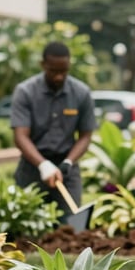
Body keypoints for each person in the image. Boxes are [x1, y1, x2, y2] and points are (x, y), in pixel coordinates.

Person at [10, 41, 96, 219]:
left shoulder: (81, 93)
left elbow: (85, 135)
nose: (58, 77)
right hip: (32, 168)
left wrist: (68, 162)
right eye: (53, 71)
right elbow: (20, 136)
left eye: (63, 71)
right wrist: (43, 164)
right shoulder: (25, 92)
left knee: (71, 223)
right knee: (27, 225)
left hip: (67, 169)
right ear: (43, 65)